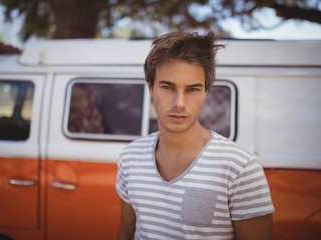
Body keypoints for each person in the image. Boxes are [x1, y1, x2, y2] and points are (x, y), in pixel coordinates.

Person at [116, 31, 275, 240]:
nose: (179, 103)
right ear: (151, 88)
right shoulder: (130, 157)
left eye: (192, 89)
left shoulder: (239, 168)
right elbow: (127, 232)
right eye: (167, 87)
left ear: (205, 93)